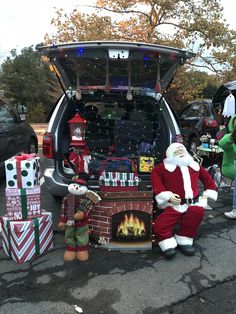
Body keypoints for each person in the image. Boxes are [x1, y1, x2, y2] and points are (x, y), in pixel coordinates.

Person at [151, 143, 218, 259]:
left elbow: (208, 180)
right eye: (176, 152)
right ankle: (168, 242)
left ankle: (184, 238)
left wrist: (208, 194)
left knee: (197, 212)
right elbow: (156, 183)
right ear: (169, 155)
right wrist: (168, 196)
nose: (180, 154)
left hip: (192, 203)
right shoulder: (162, 168)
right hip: (173, 204)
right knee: (159, 225)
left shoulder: (194, 166)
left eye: (182, 151)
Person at [58, 173, 101, 261]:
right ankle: (71, 248)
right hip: (70, 222)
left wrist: (83, 215)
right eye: (75, 185)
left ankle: (82, 249)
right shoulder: (67, 198)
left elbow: (89, 209)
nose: (76, 188)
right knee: (69, 235)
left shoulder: (88, 199)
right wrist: (62, 221)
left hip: (82, 223)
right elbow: (63, 209)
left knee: (83, 235)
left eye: (80, 186)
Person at [218, 114, 236, 218]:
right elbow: (221, 144)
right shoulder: (229, 137)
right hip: (229, 166)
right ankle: (235, 209)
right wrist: (233, 135)